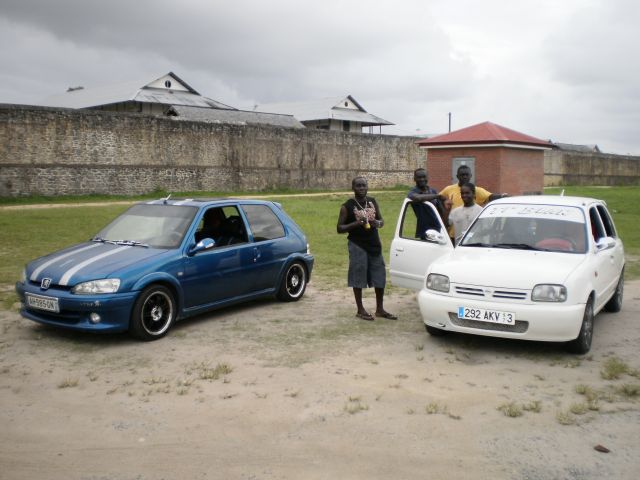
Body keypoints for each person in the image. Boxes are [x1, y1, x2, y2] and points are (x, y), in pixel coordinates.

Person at [337, 176, 397, 321]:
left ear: (367, 187)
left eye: (364, 185)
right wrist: (357, 223)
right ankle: (360, 309)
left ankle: (380, 309)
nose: (361, 188)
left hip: (374, 244)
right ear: (353, 188)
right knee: (358, 276)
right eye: (358, 186)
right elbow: (340, 228)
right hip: (357, 245)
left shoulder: (372, 202)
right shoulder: (347, 206)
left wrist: (378, 223)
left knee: (380, 276)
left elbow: (381, 221)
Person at [440, 165, 507, 239]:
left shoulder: (476, 190)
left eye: (467, 175)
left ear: (470, 175)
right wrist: (445, 206)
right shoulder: (449, 189)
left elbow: (490, 196)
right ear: (457, 176)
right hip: (454, 235)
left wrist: (503, 196)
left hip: (472, 237)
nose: (465, 177)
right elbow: (439, 197)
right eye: (462, 175)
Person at [407, 168, 448, 239]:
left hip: (438, 228)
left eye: (424, 177)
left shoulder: (433, 191)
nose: (422, 179)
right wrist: (437, 196)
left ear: (427, 177)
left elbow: (441, 210)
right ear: (414, 179)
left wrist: (444, 226)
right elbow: (418, 198)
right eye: (419, 177)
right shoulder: (413, 192)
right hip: (424, 231)